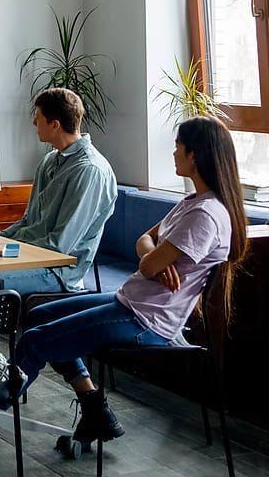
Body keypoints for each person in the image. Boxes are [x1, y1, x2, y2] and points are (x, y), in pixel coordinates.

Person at [15, 117, 248, 443]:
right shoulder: (191, 203)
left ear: (194, 155)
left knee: (34, 341)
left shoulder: (205, 215)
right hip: (131, 301)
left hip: (146, 319)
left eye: (177, 147)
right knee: (38, 314)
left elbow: (151, 261)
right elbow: (144, 242)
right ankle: (95, 409)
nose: (173, 153)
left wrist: (155, 259)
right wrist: (154, 258)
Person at [0, 87, 117, 295]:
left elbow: (59, 246)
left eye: (38, 118)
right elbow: (28, 221)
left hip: (57, 272)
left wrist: (8, 249)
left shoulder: (89, 170)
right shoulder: (49, 161)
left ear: (55, 125)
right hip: (30, 257)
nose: (34, 123)